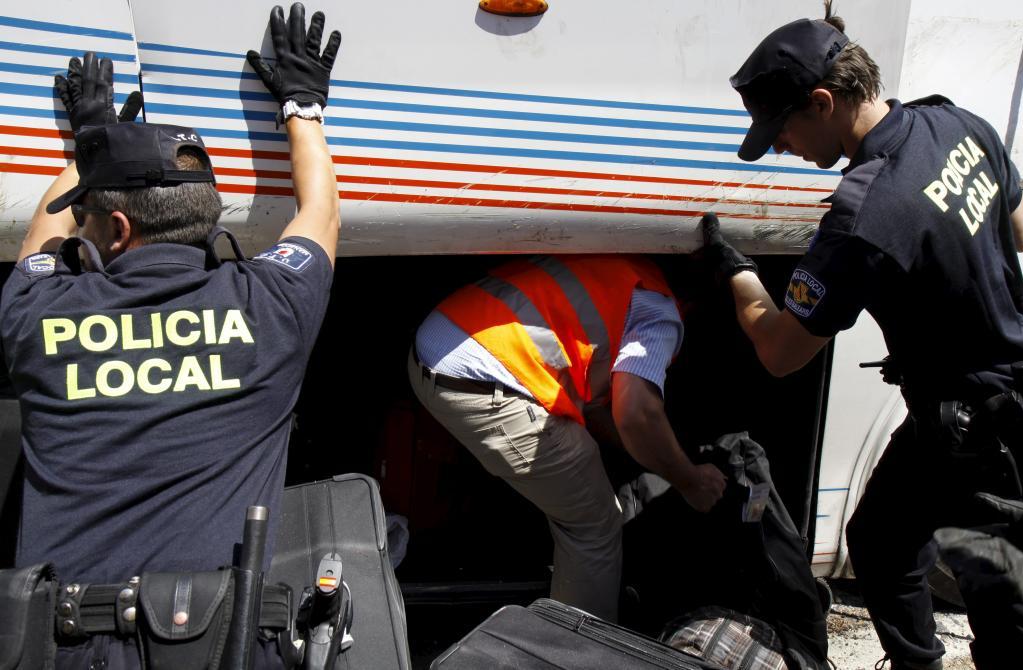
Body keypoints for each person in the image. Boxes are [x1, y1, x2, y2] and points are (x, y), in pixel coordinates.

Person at [0, 4, 340, 666]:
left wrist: (90, 143)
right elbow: (320, 213)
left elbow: (41, 241)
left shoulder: (39, 316)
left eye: (91, 219)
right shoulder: (272, 305)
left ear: (118, 230)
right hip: (224, 647)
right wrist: (302, 106)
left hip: (71, 648)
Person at [701, 3, 1023, 669]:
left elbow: (781, 352)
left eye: (781, 129)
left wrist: (735, 274)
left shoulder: (864, 212)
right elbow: (1017, 227)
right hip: (982, 397)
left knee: (1000, 596)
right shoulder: (955, 122)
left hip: (978, 427)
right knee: (880, 540)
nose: (781, 147)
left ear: (822, 102)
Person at [408, 254, 727, 622]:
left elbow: (597, 410)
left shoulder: (619, 270)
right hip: (485, 385)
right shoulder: (661, 311)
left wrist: (653, 455)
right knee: (595, 526)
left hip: (433, 350)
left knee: (576, 465)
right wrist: (689, 479)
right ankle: (576, 652)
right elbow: (638, 413)